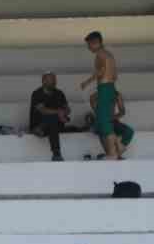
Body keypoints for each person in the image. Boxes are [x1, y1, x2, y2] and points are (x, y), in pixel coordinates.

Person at [80, 31, 125, 161]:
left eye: (89, 44)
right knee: (106, 121)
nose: (88, 48)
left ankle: (112, 153)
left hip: (105, 88)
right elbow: (114, 75)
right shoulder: (109, 55)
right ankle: (116, 150)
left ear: (96, 42)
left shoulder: (100, 54)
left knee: (105, 123)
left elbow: (101, 71)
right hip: (110, 87)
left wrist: (87, 82)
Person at [30, 73, 71, 162]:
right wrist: (58, 112)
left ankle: (56, 154)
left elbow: (67, 108)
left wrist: (64, 112)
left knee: (54, 120)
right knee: (52, 118)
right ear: (43, 81)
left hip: (54, 126)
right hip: (39, 124)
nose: (54, 82)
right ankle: (56, 153)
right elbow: (42, 110)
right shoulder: (37, 93)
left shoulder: (59, 93)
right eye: (51, 80)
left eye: (55, 80)